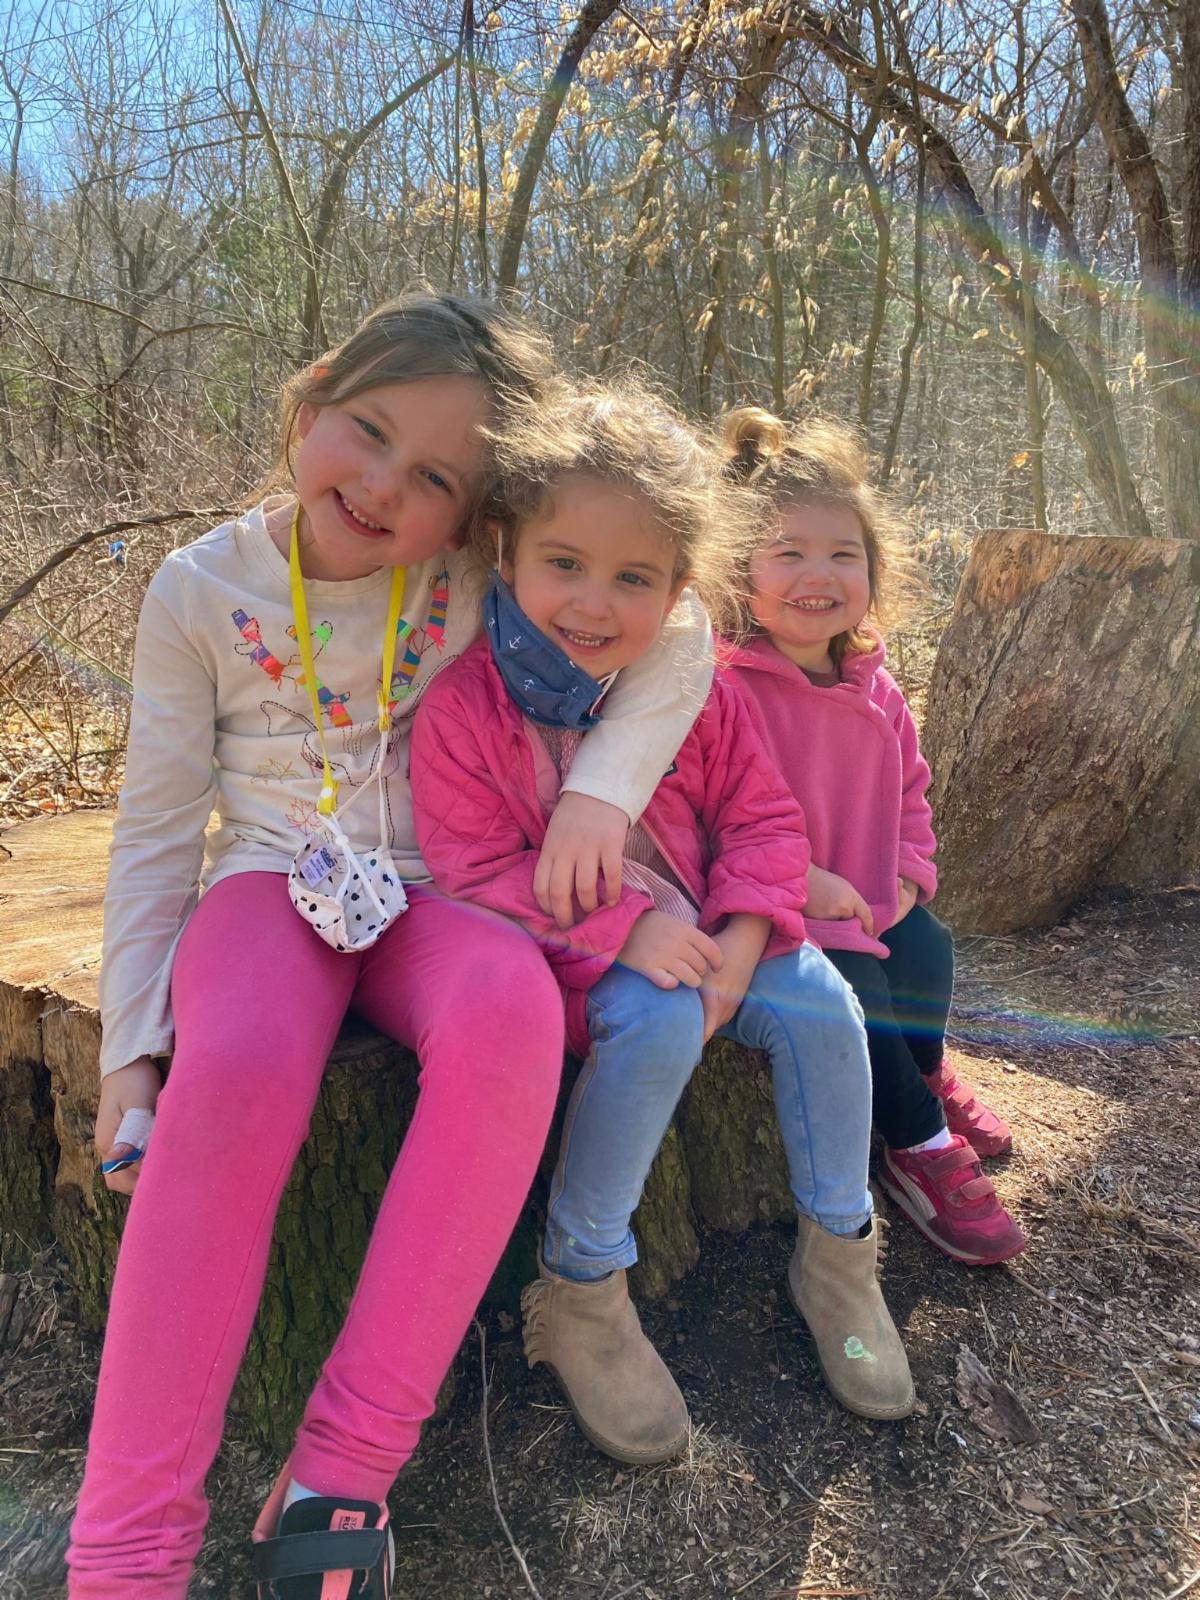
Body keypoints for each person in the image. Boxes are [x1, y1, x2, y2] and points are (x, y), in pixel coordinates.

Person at [66, 293, 715, 1600]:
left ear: (475, 512)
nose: (382, 488)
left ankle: (340, 1474)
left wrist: (600, 797)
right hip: (268, 884)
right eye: (367, 433)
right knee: (240, 1065)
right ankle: (127, 1547)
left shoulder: (482, 572)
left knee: (512, 1018)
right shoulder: (198, 589)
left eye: (434, 480)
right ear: (311, 400)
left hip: (448, 894)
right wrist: (131, 1050)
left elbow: (686, 628)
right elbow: (155, 830)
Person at [411, 379, 914, 1468]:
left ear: (681, 589)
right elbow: (474, 869)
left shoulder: (699, 692)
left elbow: (765, 819)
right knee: (659, 1019)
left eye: (633, 578)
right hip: (581, 963)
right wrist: (626, 930)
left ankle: (838, 1254)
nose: (594, 604)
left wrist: (747, 935)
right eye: (565, 564)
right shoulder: (463, 706)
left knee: (825, 1005)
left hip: (716, 933)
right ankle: (582, 1286)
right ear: (505, 553)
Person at [720, 407, 1025, 1268]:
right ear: (735, 568)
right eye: (787, 553)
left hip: (871, 899)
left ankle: (924, 1074)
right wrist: (799, 882)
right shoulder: (724, 686)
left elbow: (910, 793)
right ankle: (917, 1143)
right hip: (779, 916)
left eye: (843, 555)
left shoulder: (875, 685)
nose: (818, 575)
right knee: (855, 993)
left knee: (928, 948)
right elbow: (706, 817)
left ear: (873, 569)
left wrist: (909, 876)